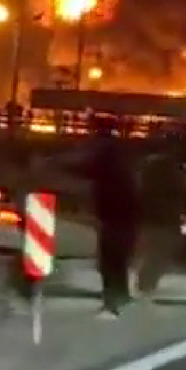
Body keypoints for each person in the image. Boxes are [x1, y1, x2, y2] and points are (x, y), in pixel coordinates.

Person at [59, 117, 139, 320]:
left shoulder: (106, 152)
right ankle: (121, 295)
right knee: (119, 258)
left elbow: (87, 169)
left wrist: (56, 163)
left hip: (114, 213)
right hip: (126, 212)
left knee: (110, 259)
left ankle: (111, 300)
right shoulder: (122, 152)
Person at [133, 132, 186, 305]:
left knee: (154, 252)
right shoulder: (175, 168)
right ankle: (146, 285)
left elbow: (139, 189)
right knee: (161, 253)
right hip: (165, 217)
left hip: (152, 216)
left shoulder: (149, 165)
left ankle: (145, 284)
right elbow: (183, 193)